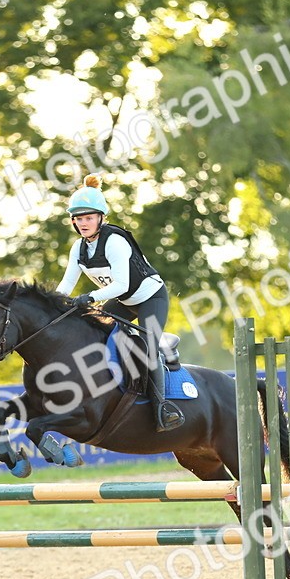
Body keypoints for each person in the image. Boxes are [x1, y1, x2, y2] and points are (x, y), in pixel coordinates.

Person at [56, 174, 185, 432]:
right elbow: (66, 285)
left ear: (101, 218)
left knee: (148, 348)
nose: (83, 223)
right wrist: (52, 304)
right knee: (96, 334)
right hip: (123, 301)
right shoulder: (78, 249)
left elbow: (123, 285)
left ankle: (162, 408)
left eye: (88, 218)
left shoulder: (114, 241)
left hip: (150, 298)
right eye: (79, 219)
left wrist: (90, 297)